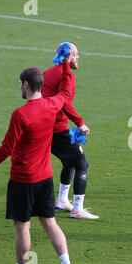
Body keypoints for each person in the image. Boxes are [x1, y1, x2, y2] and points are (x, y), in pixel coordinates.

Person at [0, 60, 77, 264]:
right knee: (50, 223)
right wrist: (67, 65)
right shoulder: (52, 105)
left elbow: (6, 149)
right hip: (46, 178)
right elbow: (66, 93)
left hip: (23, 180)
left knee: (22, 227)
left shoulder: (20, 115)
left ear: (27, 85)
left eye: (20, 84)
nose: (19, 87)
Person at [42, 43, 99, 219]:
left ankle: (61, 200)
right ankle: (77, 209)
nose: (78, 57)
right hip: (57, 128)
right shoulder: (66, 76)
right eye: (75, 54)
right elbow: (64, 102)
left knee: (69, 162)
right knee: (82, 163)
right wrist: (80, 123)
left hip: (44, 127)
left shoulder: (47, 73)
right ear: (68, 56)